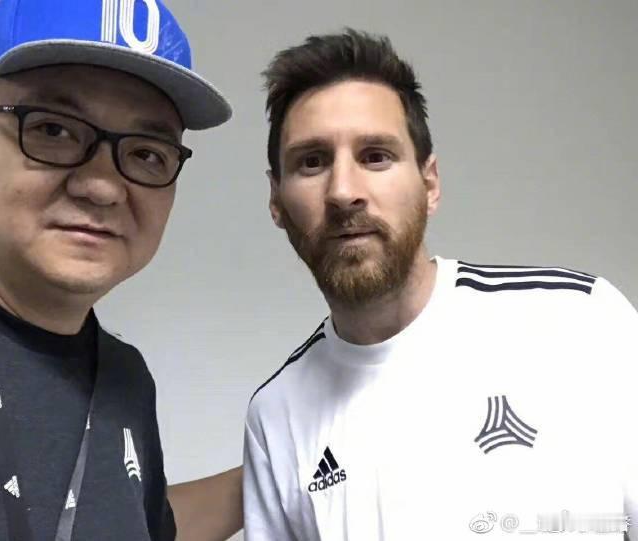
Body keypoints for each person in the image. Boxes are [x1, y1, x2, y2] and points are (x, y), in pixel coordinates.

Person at [243, 29, 638, 540]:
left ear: (429, 184)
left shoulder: (579, 321)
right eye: (312, 162)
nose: (343, 191)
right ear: (276, 200)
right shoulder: (275, 414)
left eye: (375, 156)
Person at [0, 0, 243, 540]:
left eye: (147, 153)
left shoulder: (125, 378)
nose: (102, 186)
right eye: (53, 129)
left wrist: (283, 460)